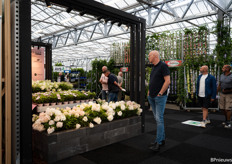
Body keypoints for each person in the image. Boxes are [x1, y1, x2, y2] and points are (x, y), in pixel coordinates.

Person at [147, 50, 170, 152]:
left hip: (159, 97)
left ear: (155, 56)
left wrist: (161, 93)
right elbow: (152, 81)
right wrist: (149, 92)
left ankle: (158, 142)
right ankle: (162, 138)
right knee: (158, 119)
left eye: (149, 55)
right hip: (151, 96)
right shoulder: (154, 67)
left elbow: (167, 81)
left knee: (159, 119)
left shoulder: (163, 66)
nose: (148, 57)